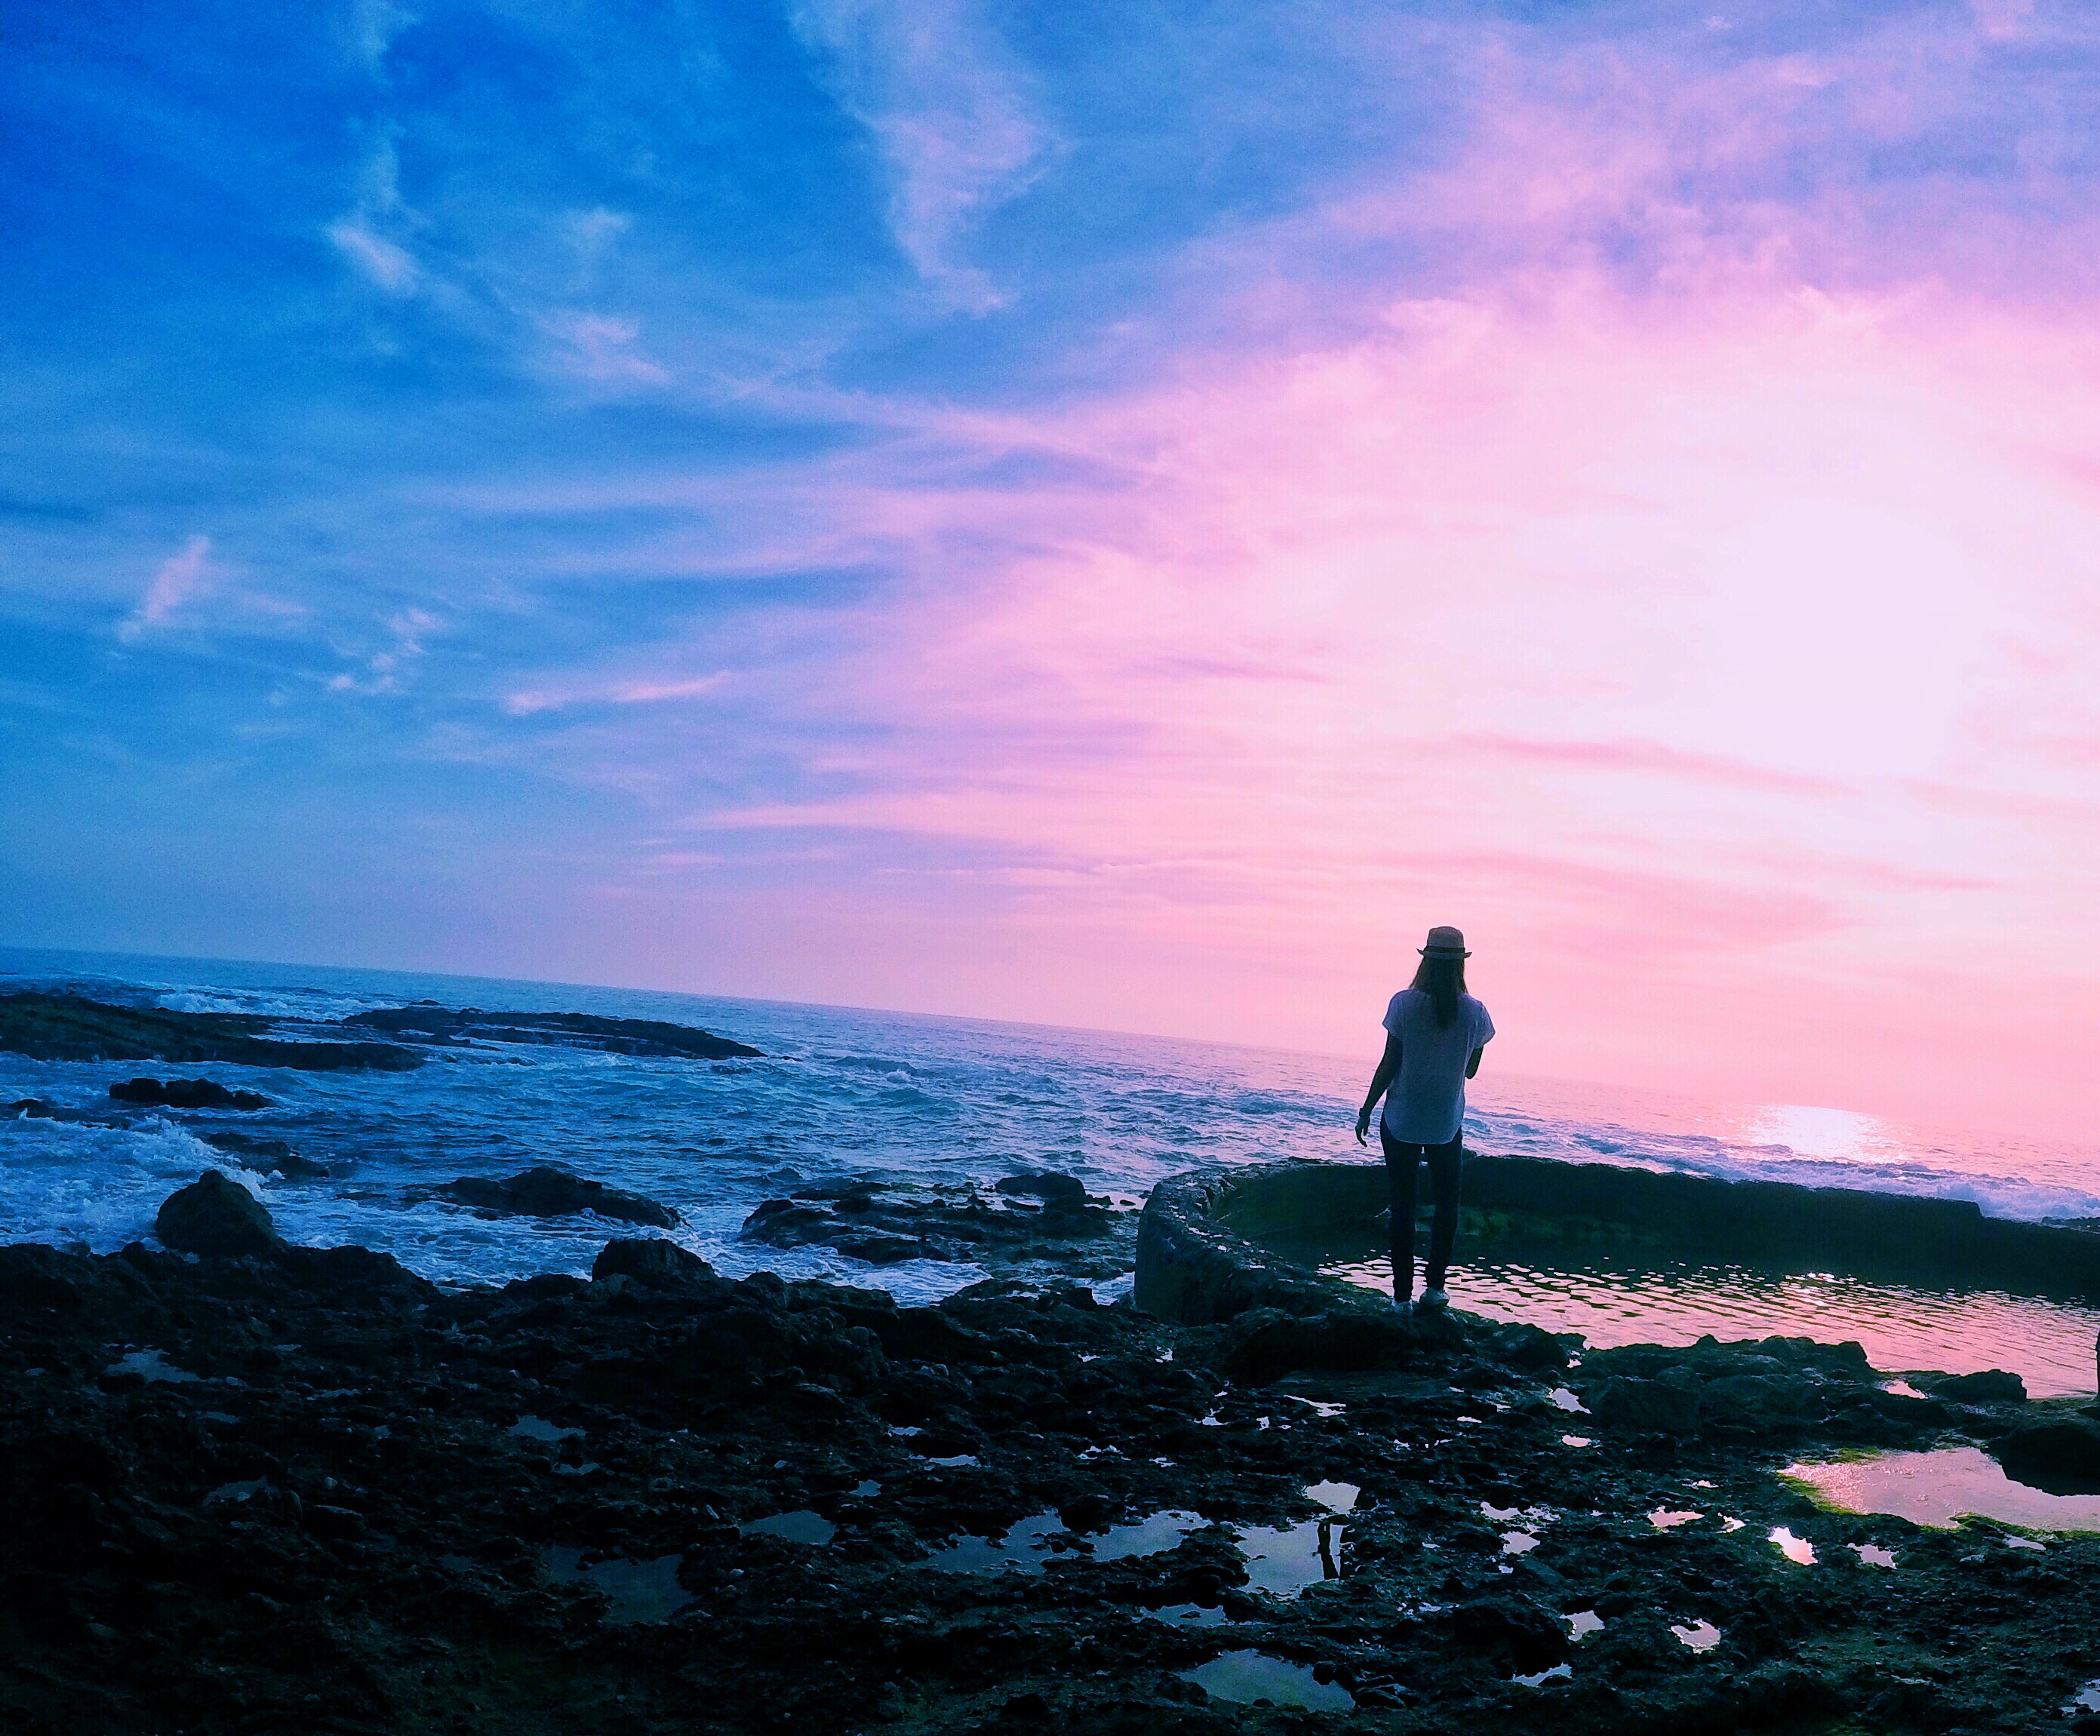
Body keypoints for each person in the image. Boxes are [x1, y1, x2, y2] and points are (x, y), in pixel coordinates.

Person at [1354, 926, 1495, 1313]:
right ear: (1460, 965)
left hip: (1401, 1118)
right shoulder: (1476, 1013)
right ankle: (1435, 1290)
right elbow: (1470, 1072)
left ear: (1425, 960)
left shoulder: (1403, 1004)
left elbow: (1389, 1063)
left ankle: (1401, 1299)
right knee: (1447, 1204)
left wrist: (1367, 1108)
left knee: (1403, 1206)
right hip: (1445, 1124)